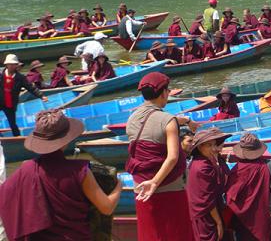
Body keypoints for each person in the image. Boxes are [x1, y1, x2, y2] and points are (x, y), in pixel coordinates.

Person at [0, 109, 122, 240]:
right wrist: (119, 185)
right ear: (66, 139)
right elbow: (107, 207)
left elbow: (5, 198)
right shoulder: (80, 171)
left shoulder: (26, 169)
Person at [125, 72, 197, 241]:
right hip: (168, 187)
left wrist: (185, 120)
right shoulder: (167, 120)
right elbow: (172, 157)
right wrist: (155, 182)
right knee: (176, 233)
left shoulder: (132, 118)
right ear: (164, 92)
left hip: (141, 187)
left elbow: (162, 121)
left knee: (151, 232)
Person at [226, 133, 271, 240]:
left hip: (243, 224)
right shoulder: (268, 166)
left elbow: (230, 197)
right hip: (265, 219)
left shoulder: (237, 170)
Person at [185, 127, 231, 241]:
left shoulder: (201, 162)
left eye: (213, 145)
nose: (213, 149)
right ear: (200, 147)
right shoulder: (203, 167)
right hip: (206, 216)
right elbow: (208, 200)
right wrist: (219, 222)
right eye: (208, 145)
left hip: (204, 214)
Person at [1, 54, 46, 136]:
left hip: (10, 104)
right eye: (9, 64)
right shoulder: (1, 74)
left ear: (16, 65)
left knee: (12, 123)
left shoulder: (20, 78)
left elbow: (31, 88)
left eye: (13, 64)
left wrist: (41, 96)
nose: (11, 66)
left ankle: (17, 137)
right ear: (6, 64)